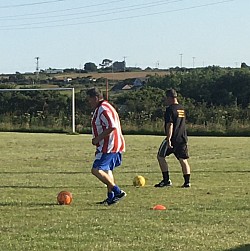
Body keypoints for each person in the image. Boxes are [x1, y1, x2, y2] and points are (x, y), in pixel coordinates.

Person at [86, 87, 126, 205]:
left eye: (89, 100)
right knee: (106, 170)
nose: (89, 103)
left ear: (96, 98)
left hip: (109, 146)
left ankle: (118, 191)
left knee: (96, 170)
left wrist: (98, 139)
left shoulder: (103, 109)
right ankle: (111, 197)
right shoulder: (104, 107)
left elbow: (111, 126)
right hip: (107, 145)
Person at [155, 89, 191, 188]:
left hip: (173, 138)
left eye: (166, 98)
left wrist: (168, 138)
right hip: (182, 138)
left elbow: (170, 124)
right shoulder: (181, 108)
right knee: (183, 159)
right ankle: (187, 182)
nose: (165, 100)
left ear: (169, 98)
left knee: (160, 156)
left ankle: (166, 180)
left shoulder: (170, 109)